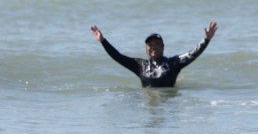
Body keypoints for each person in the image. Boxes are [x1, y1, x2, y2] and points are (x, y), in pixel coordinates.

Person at [90, 21, 218, 88]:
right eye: (150, 45)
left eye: (157, 44)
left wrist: (206, 40)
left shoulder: (173, 63)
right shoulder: (140, 65)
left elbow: (193, 53)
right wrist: (103, 41)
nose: (153, 47)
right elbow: (117, 56)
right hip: (148, 106)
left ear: (163, 47)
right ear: (146, 48)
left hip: (168, 106)